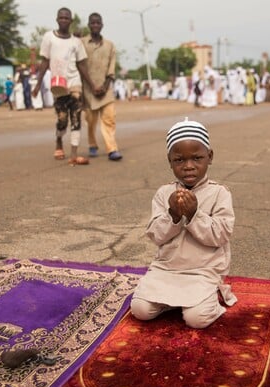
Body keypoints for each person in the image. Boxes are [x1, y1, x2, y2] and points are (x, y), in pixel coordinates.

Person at [130, 118, 237, 329]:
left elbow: (222, 235)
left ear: (210, 157)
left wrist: (194, 215)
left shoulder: (219, 193)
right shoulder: (164, 193)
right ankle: (171, 302)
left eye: (197, 158)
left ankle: (209, 296)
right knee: (140, 310)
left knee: (196, 319)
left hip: (202, 271)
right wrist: (174, 216)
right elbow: (156, 235)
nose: (189, 166)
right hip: (167, 268)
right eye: (179, 160)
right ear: (169, 161)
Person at [33, 7, 95, 166]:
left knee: (76, 118)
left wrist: (92, 85)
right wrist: (38, 84)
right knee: (62, 119)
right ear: (57, 19)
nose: (64, 20)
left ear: (71, 21)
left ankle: (74, 154)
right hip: (58, 86)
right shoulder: (49, 37)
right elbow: (45, 62)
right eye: (61, 18)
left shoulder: (76, 42)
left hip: (75, 84)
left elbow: (82, 66)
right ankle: (59, 141)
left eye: (67, 18)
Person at [81, 12, 123, 161]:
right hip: (88, 90)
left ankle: (112, 149)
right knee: (90, 121)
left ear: (102, 25)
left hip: (106, 89)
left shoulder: (110, 45)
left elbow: (111, 67)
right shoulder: (82, 43)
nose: (95, 25)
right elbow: (80, 66)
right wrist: (92, 86)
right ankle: (92, 144)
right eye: (92, 23)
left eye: (98, 23)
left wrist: (105, 86)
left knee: (109, 119)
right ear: (88, 25)